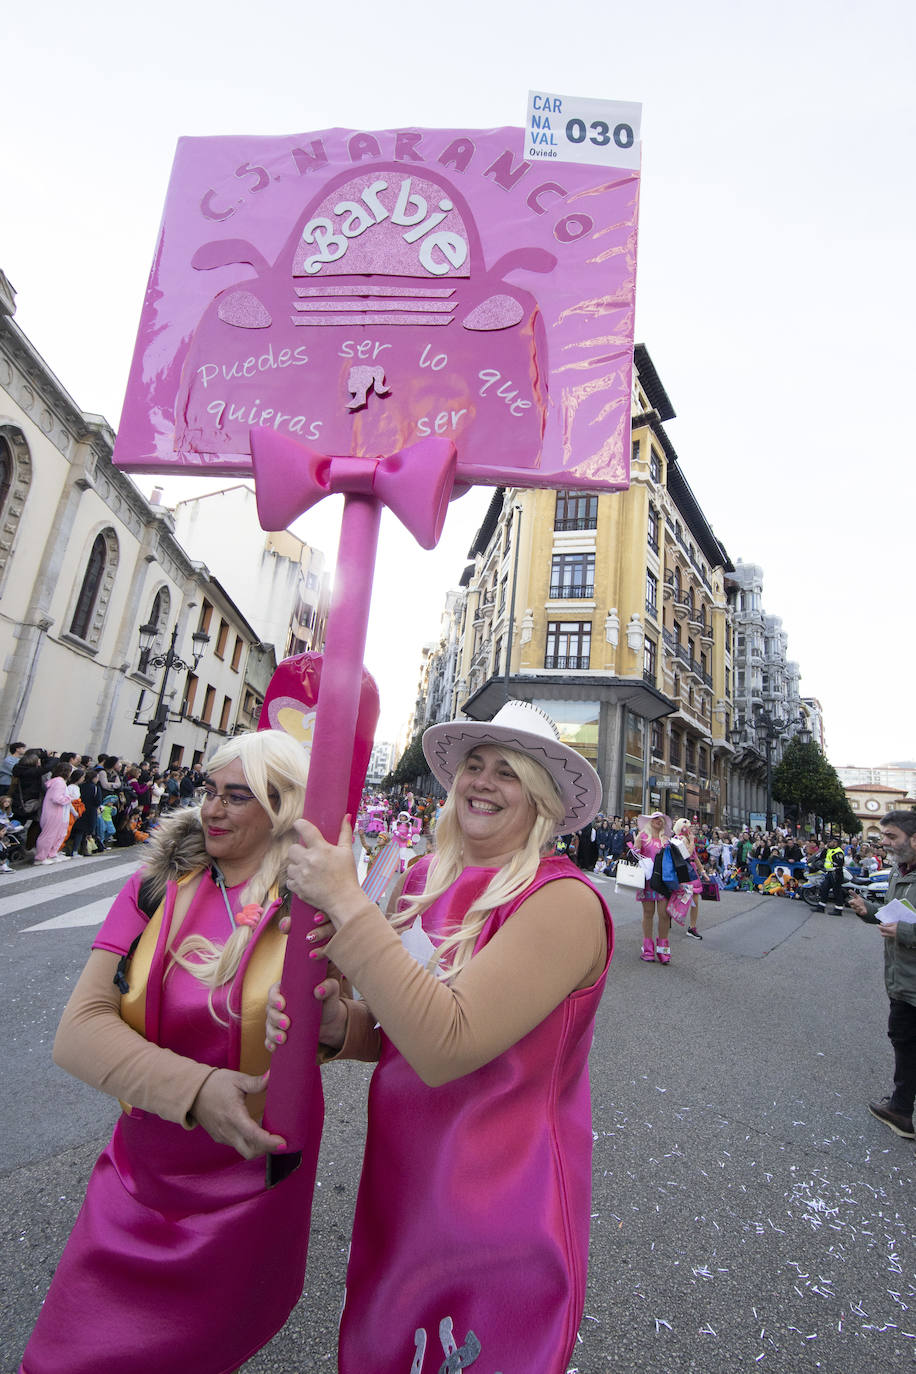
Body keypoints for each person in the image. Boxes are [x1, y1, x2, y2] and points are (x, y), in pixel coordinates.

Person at [269, 700, 611, 1374]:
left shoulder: (564, 902)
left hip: (500, 1202)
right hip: (403, 1182)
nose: (482, 781)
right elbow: (401, 1029)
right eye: (474, 766)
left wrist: (344, 901)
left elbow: (446, 1043)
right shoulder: (422, 879)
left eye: (508, 772)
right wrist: (342, 1028)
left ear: (541, 798)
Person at [19, 730, 313, 1374]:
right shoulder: (154, 885)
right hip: (136, 1176)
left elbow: (371, 1031)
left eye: (238, 797)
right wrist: (196, 1089)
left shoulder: (318, 907)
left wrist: (340, 1022)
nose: (212, 809)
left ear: (284, 808)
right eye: (210, 791)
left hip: (246, 1192)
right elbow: (80, 1029)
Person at [848, 812, 916, 1143]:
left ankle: (902, 1111)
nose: (884, 843)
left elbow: (903, 925)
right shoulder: (898, 871)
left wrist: (904, 931)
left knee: (907, 1043)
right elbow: (892, 913)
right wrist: (869, 912)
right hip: (902, 978)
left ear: (913, 839)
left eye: (891, 837)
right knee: (904, 1042)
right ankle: (902, 1107)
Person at [631, 811, 674, 963]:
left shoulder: (668, 840)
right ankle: (647, 947)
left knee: (664, 914)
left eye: (661, 819)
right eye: (655, 819)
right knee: (648, 913)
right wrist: (634, 849)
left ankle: (663, 949)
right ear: (650, 822)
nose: (658, 821)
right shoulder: (642, 837)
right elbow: (634, 855)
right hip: (647, 881)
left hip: (663, 882)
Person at [672, 817, 709, 939]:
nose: (690, 829)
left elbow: (695, 857)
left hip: (692, 871)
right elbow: (686, 854)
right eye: (687, 826)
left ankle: (692, 927)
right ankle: (670, 914)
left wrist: (703, 871)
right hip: (683, 870)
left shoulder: (688, 838)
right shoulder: (677, 839)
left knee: (694, 899)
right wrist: (692, 842)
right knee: (681, 896)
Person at [34, 763, 74, 864]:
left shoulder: (58, 782)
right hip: (54, 812)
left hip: (57, 812)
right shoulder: (59, 782)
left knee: (57, 834)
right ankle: (41, 857)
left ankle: (51, 854)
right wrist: (69, 798)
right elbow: (57, 798)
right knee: (49, 835)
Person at [817, 835, 846, 912]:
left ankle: (838, 909)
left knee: (837, 891)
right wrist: (825, 848)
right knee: (824, 888)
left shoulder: (838, 851)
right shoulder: (830, 850)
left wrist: (834, 868)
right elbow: (821, 856)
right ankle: (821, 907)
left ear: (835, 843)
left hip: (836, 873)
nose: (828, 843)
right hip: (829, 873)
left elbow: (839, 863)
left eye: (830, 842)